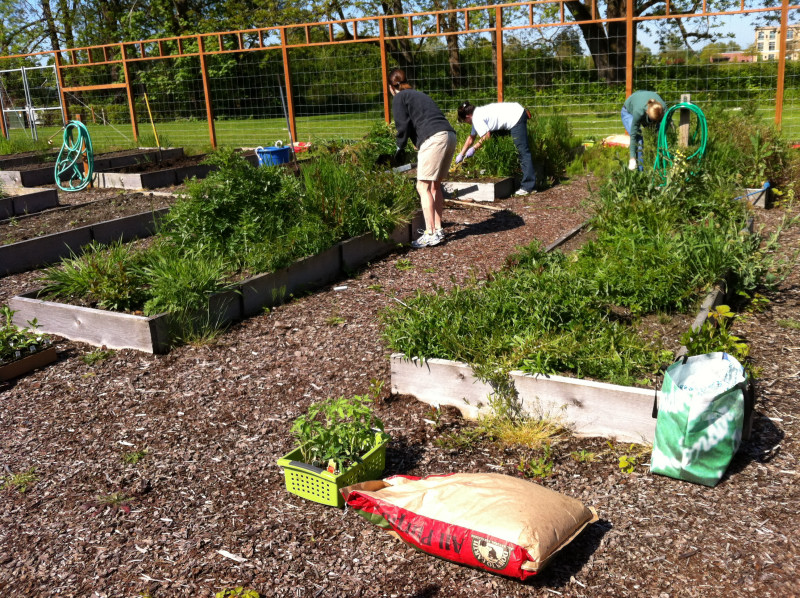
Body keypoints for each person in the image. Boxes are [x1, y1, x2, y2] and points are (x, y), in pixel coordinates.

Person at [389, 68, 457, 249]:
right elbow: (417, 122)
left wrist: (398, 147)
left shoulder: (399, 97)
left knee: (422, 186)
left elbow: (402, 126)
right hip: (449, 135)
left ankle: (430, 233)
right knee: (435, 185)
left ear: (391, 87)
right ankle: (438, 229)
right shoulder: (418, 95)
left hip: (434, 138)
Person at [455, 101, 537, 196]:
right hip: (512, 113)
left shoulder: (477, 118)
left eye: (465, 121)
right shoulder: (476, 114)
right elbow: (471, 138)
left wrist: (473, 148)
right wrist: (461, 154)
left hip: (516, 117)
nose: (466, 123)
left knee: (523, 152)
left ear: (468, 116)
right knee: (495, 141)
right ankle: (502, 169)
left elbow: (486, 136)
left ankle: (528, 187)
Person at [621, 91, 666, 171]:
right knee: (639, 139)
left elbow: (669, 125)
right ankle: (641, 172)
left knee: (659, 134)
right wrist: (632, 158)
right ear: (647, 112)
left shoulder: (663, 109)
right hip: (628, 112)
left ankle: (659, 165)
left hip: (648, 113)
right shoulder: (639, 112)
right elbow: (634, 135)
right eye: (653, 120)